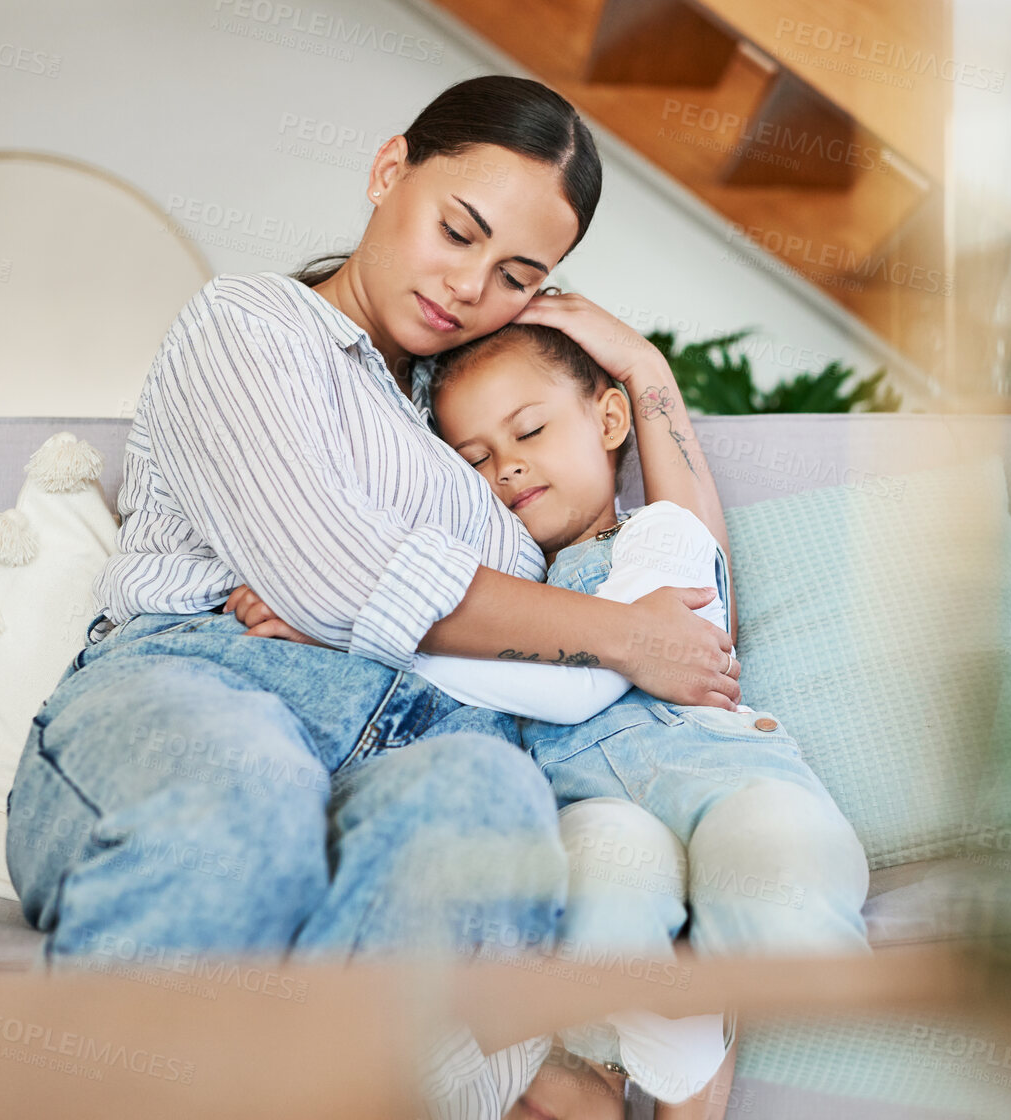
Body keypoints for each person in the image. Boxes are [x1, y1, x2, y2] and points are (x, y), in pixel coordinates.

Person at [3, 75, 738, 1120]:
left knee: (491, 803)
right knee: (246, 790)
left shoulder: (479, 431)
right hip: (198, 688)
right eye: (457, 230)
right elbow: (332, 570)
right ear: (391, 170)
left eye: (515, 273)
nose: (468, 284)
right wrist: (612, 635)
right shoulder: (251, 323)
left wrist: (645, 366)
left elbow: (694, 633)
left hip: (418, 742)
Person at [234, 319, 872, 1115]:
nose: (508, 466)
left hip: (718, 770)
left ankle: (734, 981)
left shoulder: (660, 534)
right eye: (475, 461)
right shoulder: (490, 588)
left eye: (529, 430)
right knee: (600, 879)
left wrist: (379, 625)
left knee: (776, 862)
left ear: (608, 422)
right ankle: (668, 1015)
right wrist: (328, 612)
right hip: (589, 801)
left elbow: (582, 685)